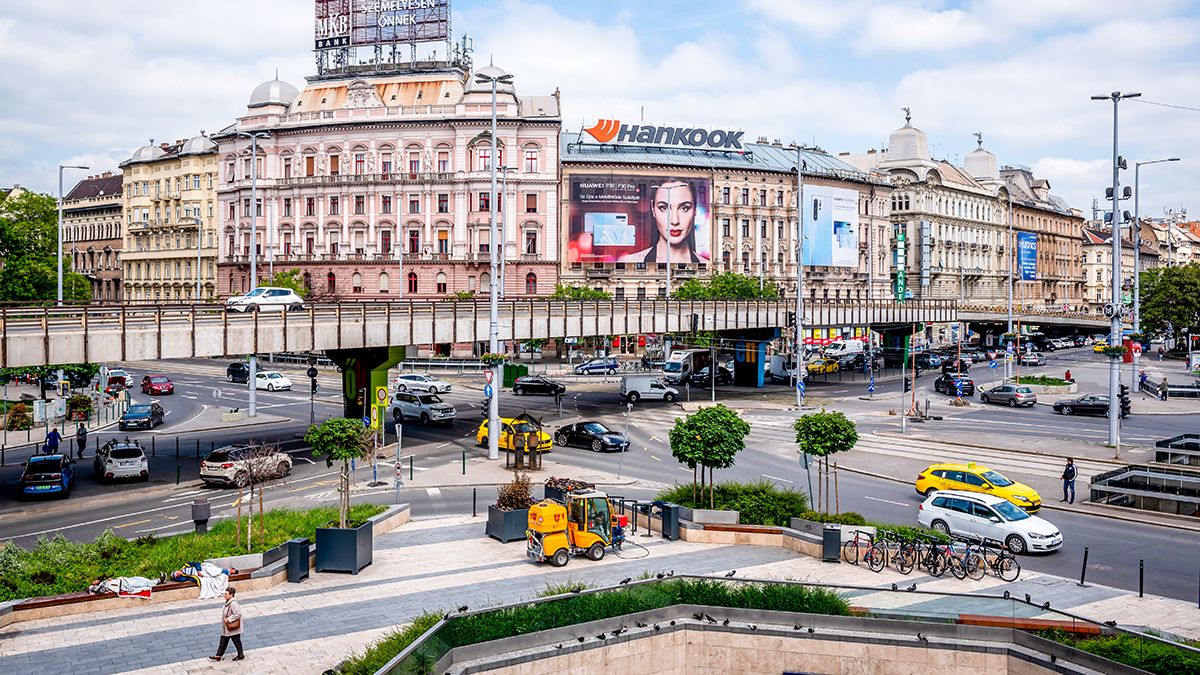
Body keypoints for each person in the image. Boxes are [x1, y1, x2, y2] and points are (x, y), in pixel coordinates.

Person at [618, 179, 705, 264]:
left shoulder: (706, 265)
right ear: (653, 209)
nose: (675, 221)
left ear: (695, 210)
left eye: (684, 208)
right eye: (664, 208)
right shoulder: (630, 261)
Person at [210, 587, 244, 662]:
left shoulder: (233, 603)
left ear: (231, 595)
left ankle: (240, 655)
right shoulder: (228, 601)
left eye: (226, 594)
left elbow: (238, 613)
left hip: (232, 627)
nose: (224, 595)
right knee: (224, 640)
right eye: (224, 594)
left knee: (236, 641)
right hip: (227, 627)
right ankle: (218, 655)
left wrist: (228, 619)